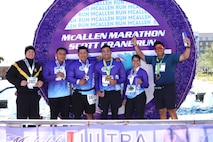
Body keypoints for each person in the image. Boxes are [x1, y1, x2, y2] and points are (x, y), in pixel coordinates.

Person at [132, 36, 191, 119]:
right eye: (156, 48)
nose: (159, 49)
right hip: (158, 89)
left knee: (171, 110)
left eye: (160, 47)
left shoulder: (170, 57)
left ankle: (177, 130)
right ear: (155, 50)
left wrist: (188, 47)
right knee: (161, 111)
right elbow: (141, 56)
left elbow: (184, 57)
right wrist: (135, 45)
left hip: (169, 88)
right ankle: (164, 130)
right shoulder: (153, 59)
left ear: (163, 49)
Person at [6, 45, 44, 119]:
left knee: (34, 118)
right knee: (22, 117)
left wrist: (41, 82)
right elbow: (9, 76)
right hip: (22, 94)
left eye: (33, 52)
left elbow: (41, 77)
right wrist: (19, 82)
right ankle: (21, 130)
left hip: (34, 95)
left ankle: (33, 130)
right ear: (25, 53)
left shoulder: (37, 65)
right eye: (29, 52)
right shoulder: (18, 64)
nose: (31, 53)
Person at [95, 44, 126, 119]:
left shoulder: (118, 63)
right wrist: (97, 90)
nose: (106, 53)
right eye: (104, 51)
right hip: (103, 93)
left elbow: (124, 77)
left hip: (115, 92)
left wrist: (116, 81)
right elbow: (96, 79)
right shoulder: (98, 64)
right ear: (101, 53)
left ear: (111, 52)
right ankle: (103, 130)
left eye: (107, 51)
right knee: (103, 114)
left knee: (115, 113)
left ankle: (116, 130)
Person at [67, 46, 96, 119]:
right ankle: (77, 130)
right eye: (81, 53)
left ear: (87, 54)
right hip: (78, 94)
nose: (83, 55)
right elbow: (69, 77)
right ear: (78, 54)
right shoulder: (73, 65)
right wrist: (78, 81)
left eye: (85, 53)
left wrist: (116, 59)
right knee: (77, 115)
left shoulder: (93, 63)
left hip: (90, 93)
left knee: (90, 114)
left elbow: (105, 60)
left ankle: (91, 129)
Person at [43, 47, 72, 119]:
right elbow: (45, 78)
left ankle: (66, 130)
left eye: (64, 54)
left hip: (66, 95)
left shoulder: (68, 63)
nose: (62, 56)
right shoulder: (49, 64)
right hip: (53, 96)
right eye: (60, 54)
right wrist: (55, 76)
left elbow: (81, 60)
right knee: (53, 117)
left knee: (66, 117)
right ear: (56, 55)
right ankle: (53, 130)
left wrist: (96, 58)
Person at [123, 54, 149, 119]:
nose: (135, 62)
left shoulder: (142, 72)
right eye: (134, 61)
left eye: (137, 61)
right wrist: (124, 98)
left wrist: (141, 83)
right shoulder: (128, 72)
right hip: (129, 96)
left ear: (139, 62)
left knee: (140, 116)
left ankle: (140, 129)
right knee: (127, 115)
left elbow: (147, 85)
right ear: (132, 62)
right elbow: (125, 85)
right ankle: (128, 129)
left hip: (139, 95)